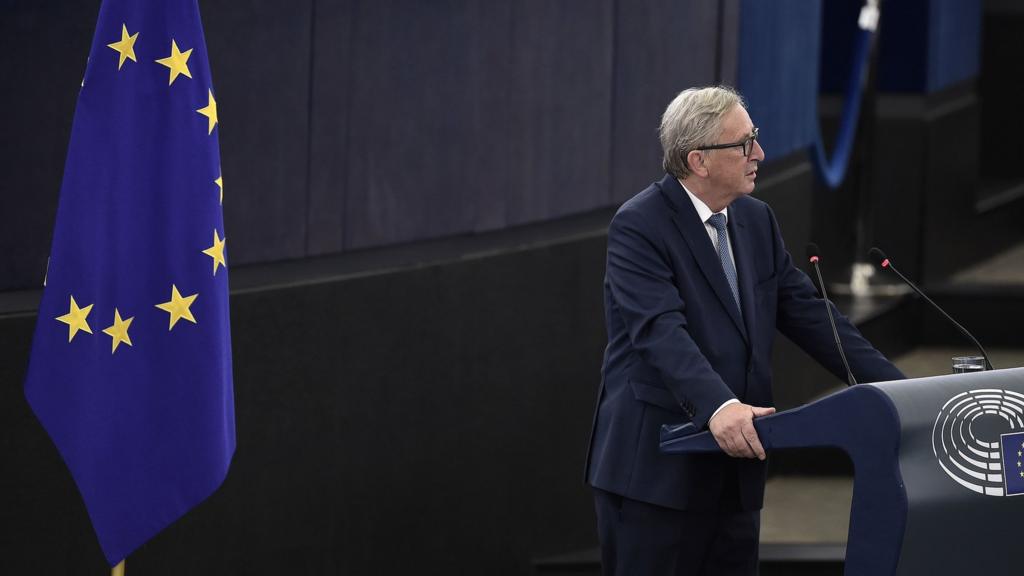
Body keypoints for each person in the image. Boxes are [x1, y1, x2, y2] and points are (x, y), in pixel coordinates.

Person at [584, 85, 905, 576]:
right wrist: (720, 406)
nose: (759, 153)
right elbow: (660, 333)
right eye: (744, 143)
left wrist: (899, 390)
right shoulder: (640, 225)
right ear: (699, 160)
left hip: (735, 474)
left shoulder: (755, 220)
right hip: (656, 475)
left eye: (754, 138)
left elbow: (811, 315)